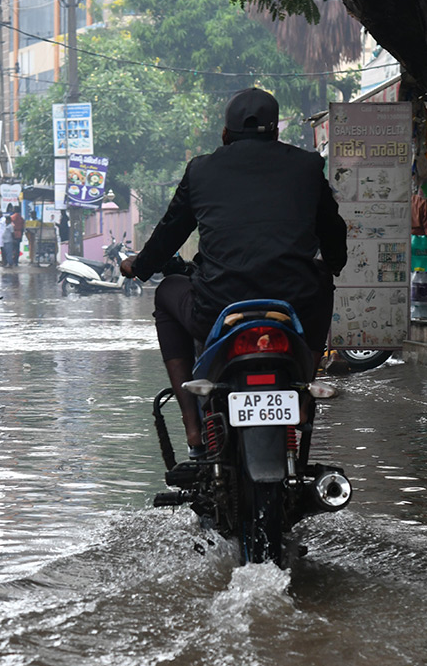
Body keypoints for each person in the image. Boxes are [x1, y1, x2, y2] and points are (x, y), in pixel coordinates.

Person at [121, 88, 347, 456]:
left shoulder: (201, 169)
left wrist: (139, 266)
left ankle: (193, 427)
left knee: (166, 294)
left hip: (216, 308)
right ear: (276, 133)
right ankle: (303, 392)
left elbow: (170, 232)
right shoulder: (306, 166)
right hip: (294, 308)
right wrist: (331, 264)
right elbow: (333, 231)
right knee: (323, 281)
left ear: (225, 135)